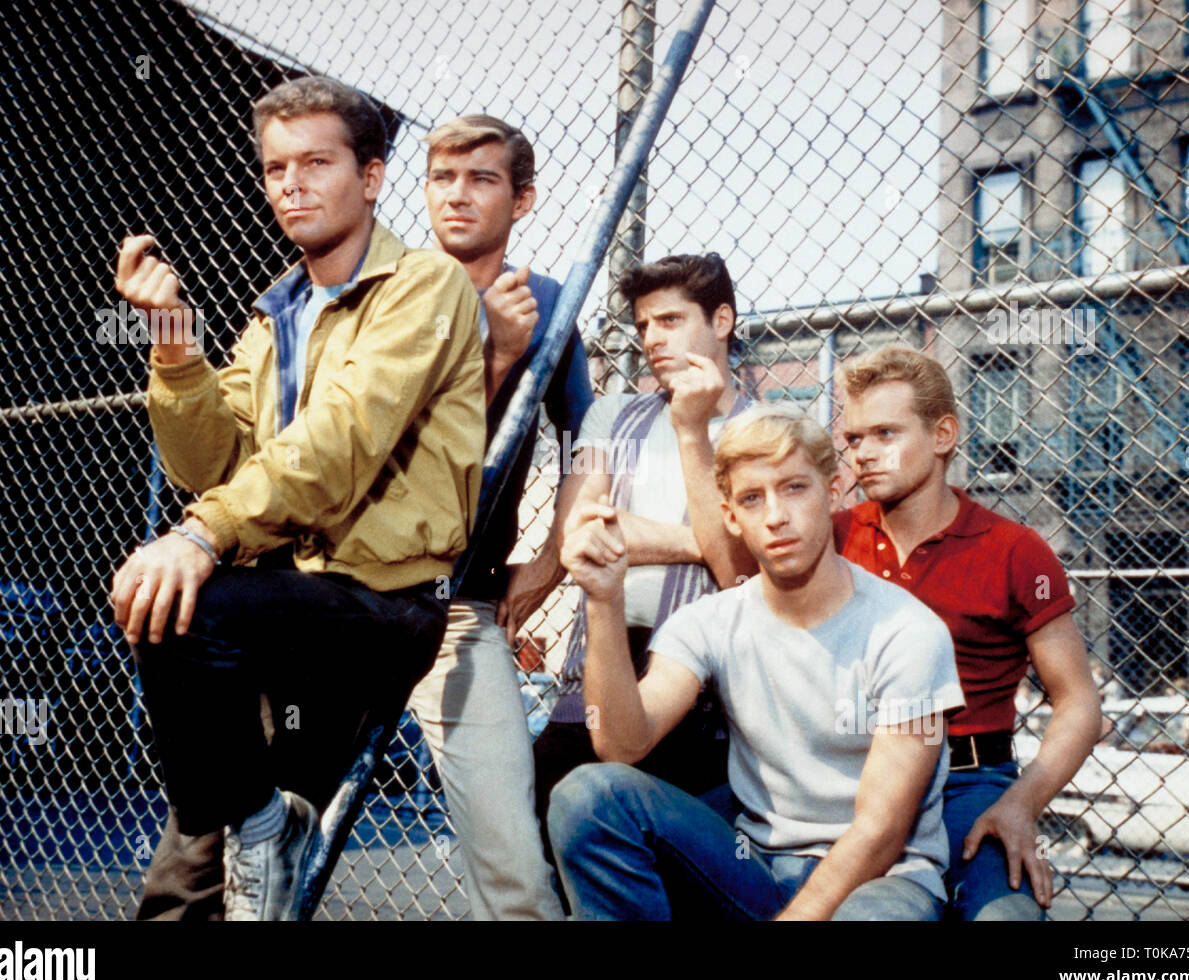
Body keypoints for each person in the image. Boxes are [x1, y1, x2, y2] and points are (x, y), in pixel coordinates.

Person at [114, 76, 485, 921]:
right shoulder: (276, 309)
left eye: (317, 162)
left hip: (381, 606)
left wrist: (202, 535)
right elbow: (208, 461)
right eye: (277, 167)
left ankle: (259, 829)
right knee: (193, 873)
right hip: (283, 603)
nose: (292, 183)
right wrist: (173, 342)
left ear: (373, 176)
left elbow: (341, 444)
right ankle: (257, 829)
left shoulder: (424, 285)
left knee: (193, 601)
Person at [547, 405, 963, 920]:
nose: (775, 516)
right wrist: (603, 601)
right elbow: (621, 743)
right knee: (589, 796)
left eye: (794, 488)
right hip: (755, 866)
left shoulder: (909, 631)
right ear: (730, 518)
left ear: (833, 492)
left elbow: (881, 833)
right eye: (751, 498)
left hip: (881, 881)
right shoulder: (710, 621)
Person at [835, 344, 1102, 921]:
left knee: (1006, 918)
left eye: (885, 433)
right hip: (847, 775)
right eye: (854, 439)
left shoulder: (1013, 550)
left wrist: (1022, 804)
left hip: (967, 781)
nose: (864, 454)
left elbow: (1078, 701)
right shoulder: (829, 540)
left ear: (942, 434)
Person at [404, 114, 593, 920]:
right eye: (443, 178)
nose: (457, 195)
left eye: (481, 179)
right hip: (346, 594)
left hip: (460, 605)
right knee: (274, 822)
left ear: (524, 200)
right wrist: (493, 359)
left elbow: (593, 446)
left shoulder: (548, 301)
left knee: (513, 863)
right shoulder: (387, 291)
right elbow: (386, 456)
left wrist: (553, 554)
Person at [531, 252, 757, 863]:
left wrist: (692, 433)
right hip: (597, 675)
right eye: (643, 325)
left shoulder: (763, 429)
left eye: (670, 320)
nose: (652, 339)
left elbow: (740, 573)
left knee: (671, 875)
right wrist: (702, 543)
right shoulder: (610, 414)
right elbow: (580, 530)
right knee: (547, 851)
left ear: (722, 320)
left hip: (704, 697)